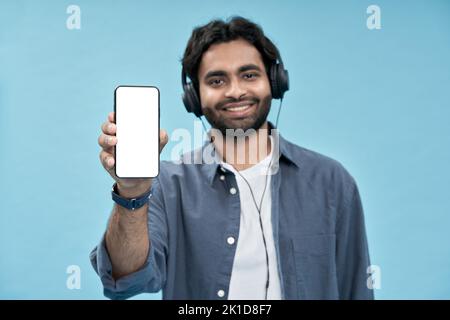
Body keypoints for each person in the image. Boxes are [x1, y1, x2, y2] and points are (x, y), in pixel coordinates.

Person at [91, 16, 374, 300]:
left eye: (249, 75)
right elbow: (126, 281)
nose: (236, 91)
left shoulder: (331, 181)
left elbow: (356, 290)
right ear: (193, 97)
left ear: (275, 83)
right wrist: (133, 191)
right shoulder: (165, 184)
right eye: (217, 80)